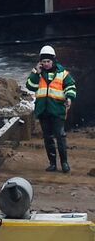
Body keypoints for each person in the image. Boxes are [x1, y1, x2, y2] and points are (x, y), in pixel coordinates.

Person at [24, 44, 76, 173]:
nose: (46, 64)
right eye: (43, 61)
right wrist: (36, 73)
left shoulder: (63, 74)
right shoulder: (38, 73)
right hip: (43, 111)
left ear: (53, 60)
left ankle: (64, 163)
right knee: (48, 138)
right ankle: (52, 164)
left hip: (57, 110)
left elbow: (71, 87)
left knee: (60, 136)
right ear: (40, 62)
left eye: (48, 61)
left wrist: (69, 98)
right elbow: (30, 86)